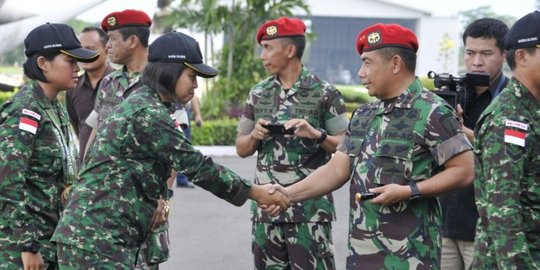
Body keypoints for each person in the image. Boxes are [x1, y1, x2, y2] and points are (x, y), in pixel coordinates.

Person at [50, 31, 290, 269]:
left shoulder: (146, 103)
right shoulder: (148, 112)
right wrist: (256, 193)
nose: (195, 86)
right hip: (96, 239)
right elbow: (196, 166)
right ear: (170, 72)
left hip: (98, 235)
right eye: (191, 76)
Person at [267, 23, 475, 269]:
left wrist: (409, 191)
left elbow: (464, 170)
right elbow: (337, 169)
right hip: (362, 254)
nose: (360, 73)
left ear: (395, 64)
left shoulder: (433, 111)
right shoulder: (365, 114)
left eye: (367, 63)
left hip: (409, 258)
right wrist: (286, 194)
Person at [236, 16, 349, 269]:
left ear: (290, 50)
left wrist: (315, 134)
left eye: (268, 48)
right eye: (262, 48)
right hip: (266, 208)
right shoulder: (258, 93)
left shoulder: (325, 93)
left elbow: (345, 148)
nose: (262, 55)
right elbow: (241, 149)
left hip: (309, 213)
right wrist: (254, 135)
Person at [0, 23, 99, 269]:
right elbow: (8, 183)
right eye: (70, 61)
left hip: (51, 240)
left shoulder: (54, 105)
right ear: (43, 63)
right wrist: (28, 245)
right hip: (21, 250)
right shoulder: (25, 111)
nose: (77, 68)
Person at [438, 18, 508, 270]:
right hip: (443, 222)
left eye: (486, 53)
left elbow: (514, 154)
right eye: (470, 53)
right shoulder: (448, 96)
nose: (477, 61)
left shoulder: (513, 101)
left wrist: (468, 135)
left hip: (484, 228)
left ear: (504, 54)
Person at [472, 11, 540, 269]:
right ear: (522, 57)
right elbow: (503, 212)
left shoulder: (532, 110)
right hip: (513, 260)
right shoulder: (509, 119)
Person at [65, 26, 114, 166]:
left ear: (106, 49)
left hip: (114, 170)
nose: (84, 54)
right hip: (85, 169)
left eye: (90, 49)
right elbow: (78, 126)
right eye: (81, 49)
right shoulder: (73, 88)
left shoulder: (121, 85)